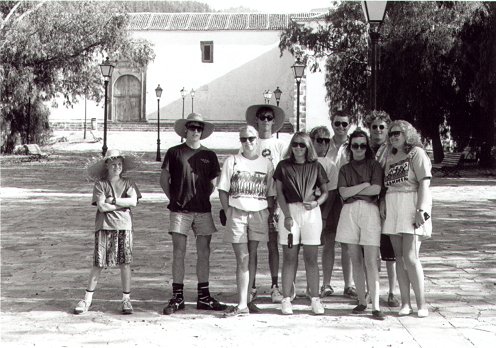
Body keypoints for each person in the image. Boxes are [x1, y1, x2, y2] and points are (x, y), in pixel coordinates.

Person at [160, 112, 227, 315]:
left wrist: (203, 196)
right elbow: (164, 179)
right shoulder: (174, 152)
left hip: (202, 209)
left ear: (202, 132)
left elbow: (214, 183)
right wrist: (174, 198)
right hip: (180, 210)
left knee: (204, 252)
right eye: (192, 127)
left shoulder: (210, 155)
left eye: (199, 128)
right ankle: (178, 296)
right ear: (185, 130)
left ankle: (203, 296)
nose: (195, 131)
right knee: (178, 252)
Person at [218, 126, 276, 317]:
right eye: (244, 139)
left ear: (257, 139)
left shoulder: (266, 164)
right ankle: (242, 303)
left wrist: (268, 212)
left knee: (252, 256)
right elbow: (223, 189)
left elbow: (270, 192)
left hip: (258, 213)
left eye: (251, 138)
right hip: (238, 213)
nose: (248, 142)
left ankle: (247, 301)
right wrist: (228, 211)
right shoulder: (232, 161)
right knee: (242, 257)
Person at [74, 149, 141, 315]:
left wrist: (115, 200)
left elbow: (133, 201)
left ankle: (126, 299)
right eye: (113, 164)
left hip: (124, 226)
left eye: (119, 164)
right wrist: (122, 205)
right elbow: (102, 206)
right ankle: (87, 299)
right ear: (107, 165)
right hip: (104, 226)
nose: (116, 167)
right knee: (98, 263)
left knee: (125, 263)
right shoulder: (100, 184)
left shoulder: (129, 182)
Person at [274, 132, 328, 315]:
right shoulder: (283, 166)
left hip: (311, 213)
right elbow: (279, 193)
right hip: (290, 211)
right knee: (289, 257)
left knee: (311, 258)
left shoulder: (316, 166)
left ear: (308, 147)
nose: (298, 148)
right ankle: (286, 298)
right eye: (295, 144)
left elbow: (325, 192)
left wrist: (316, 203)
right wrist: (287, 215)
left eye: (302, 145)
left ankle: (315, 298)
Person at [382, 120, 432, 318]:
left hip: (411, 203)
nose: (394, 136)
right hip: (393, 204)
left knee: (410, 257)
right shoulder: (390, 156)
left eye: (398, 133)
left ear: (407, 134)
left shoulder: (416, 153)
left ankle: (422, 304)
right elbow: (387, 185)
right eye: (392, 133)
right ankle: (405, 303)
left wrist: (421, 210)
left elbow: (424, 184)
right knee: (399, 257)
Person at [335, 129, 385, 320]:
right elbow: (343, 193)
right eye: (355, 145)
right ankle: (362, 301)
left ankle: (376, 305)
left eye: (362, 145)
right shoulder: (345, 169)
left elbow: (376, 189)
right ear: (350, 147)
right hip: (349, 213)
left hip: (370, 212)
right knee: (355, 259)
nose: (359, 149)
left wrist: (356, 189)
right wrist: (364, 185)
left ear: (367, 147)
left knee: (371, 260)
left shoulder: (374, 165)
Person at [245, 104, 287, 303]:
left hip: (273, 201)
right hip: (253, 201)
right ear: (256, 120)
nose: (265, 121)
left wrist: (279, 203)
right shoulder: (250, 142)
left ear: (274, 121)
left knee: (273, 245)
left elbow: (284, 175)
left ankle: (275, 286)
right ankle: (251, 286)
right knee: (252, 246)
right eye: (262, 117)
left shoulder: (280, 146)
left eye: (269, 117)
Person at [365, 110, 400, 307]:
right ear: (369, 129)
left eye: (382, 127)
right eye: (374, 127)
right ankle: (372, 290)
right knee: (371, 250)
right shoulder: (363, 148)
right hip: (369, 202)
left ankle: (392, 292)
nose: (378, 130)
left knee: (390, 252)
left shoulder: (394, 150)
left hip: (388, 202)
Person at [325, 110, 356, 299]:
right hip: (329, 195)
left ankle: (349, 284)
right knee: (329, 241)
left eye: (344, 124)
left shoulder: (354, 146)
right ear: (332, 124)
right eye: (337, 124)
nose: (341, 127)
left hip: (346, 195)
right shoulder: (324, 144)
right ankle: (326, 284)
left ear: (349, 125)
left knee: (347, 242)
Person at [308, 127, 340, 298]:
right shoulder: (303, 161)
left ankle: (326, 283)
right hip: (308, 206)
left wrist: (325, 215)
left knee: (329, 244)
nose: (323, 144)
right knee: (307, 246)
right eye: (319, 140)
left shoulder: (331, 164)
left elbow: (332, 191)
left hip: (327, 206)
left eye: (327, 140)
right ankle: (308, 284)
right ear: (311, 140)